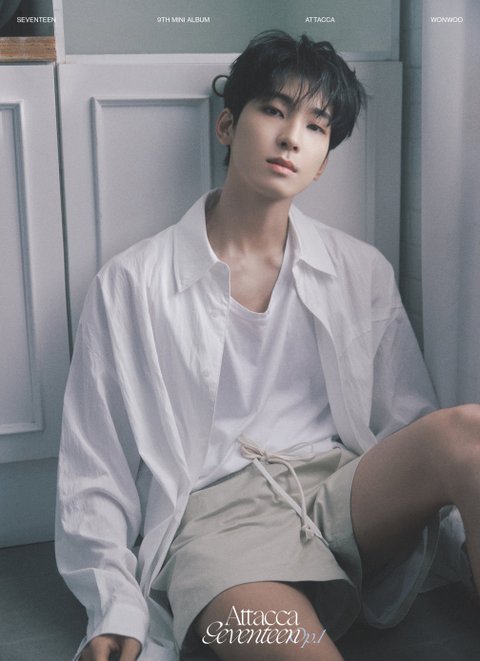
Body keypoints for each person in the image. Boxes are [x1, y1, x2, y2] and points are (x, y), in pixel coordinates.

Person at [55, 30, 479, 661]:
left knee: (466, 432)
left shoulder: (358, 268)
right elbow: (95, 471)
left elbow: (407, 423)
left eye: (316, 126)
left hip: (341, 493)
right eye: (275, 111)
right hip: (218, 530)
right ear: (228, 124)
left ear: (324, 160)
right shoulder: (130, 284)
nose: (291, 138)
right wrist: (114, 606)